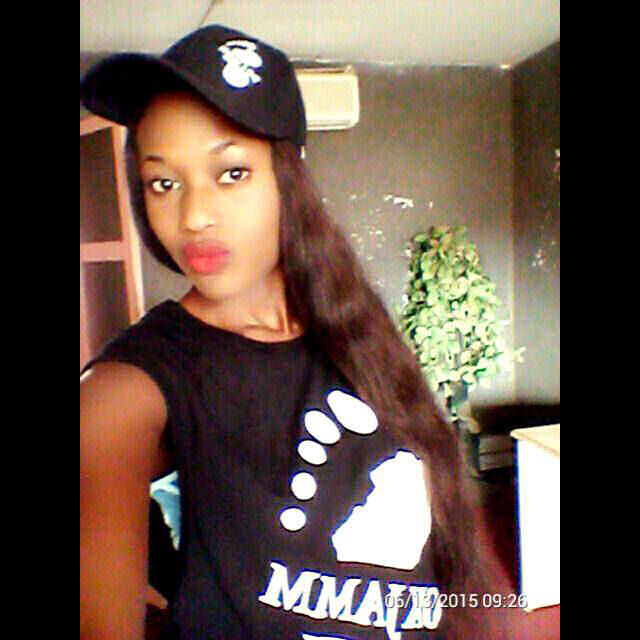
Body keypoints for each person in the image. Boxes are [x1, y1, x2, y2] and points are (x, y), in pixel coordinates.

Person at [80, 24, 498, 640]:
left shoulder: (356, 329)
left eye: (231, 173)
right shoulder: (129, 386)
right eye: (164, 183)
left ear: (289, 175)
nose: (193, 216)